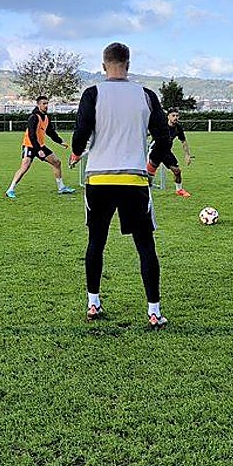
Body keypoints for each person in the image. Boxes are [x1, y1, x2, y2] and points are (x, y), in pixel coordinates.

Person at [69, 43, 171, 328]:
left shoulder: (93, 93)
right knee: (145, 246)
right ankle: (154, 311)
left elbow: (81, 131)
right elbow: (164, 138)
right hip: (133, 180)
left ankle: (93, 303)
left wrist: (76, 152)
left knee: (96, 242)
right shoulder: (146, 95)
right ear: (128, 64)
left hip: (99, 180)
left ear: (104, 66)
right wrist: (150, 167)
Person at [6, 95, 76, 198]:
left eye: (47, 103)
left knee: (57, 162)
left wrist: (60, 141)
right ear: (38, 105)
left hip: (40, 146)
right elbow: (31, 135)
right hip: (29, 145)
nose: (46, 106)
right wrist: (38, 150)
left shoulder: (46, 118)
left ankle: (61, 188)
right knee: (25, 167)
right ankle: (10, 189)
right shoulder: (34, 117)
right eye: (44, 104)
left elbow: (50, 132)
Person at [149, 109, 192, 197]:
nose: (175, 118)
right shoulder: (161, 125)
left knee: (177, 171)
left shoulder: (178, 128)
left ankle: (179, 190)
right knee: (149, 175)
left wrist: (187, 155)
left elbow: (183, 141)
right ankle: (144, 191)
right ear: (168, 116)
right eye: (173, 115)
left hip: (167, 153)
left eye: (177, 116)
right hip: (155, 151)